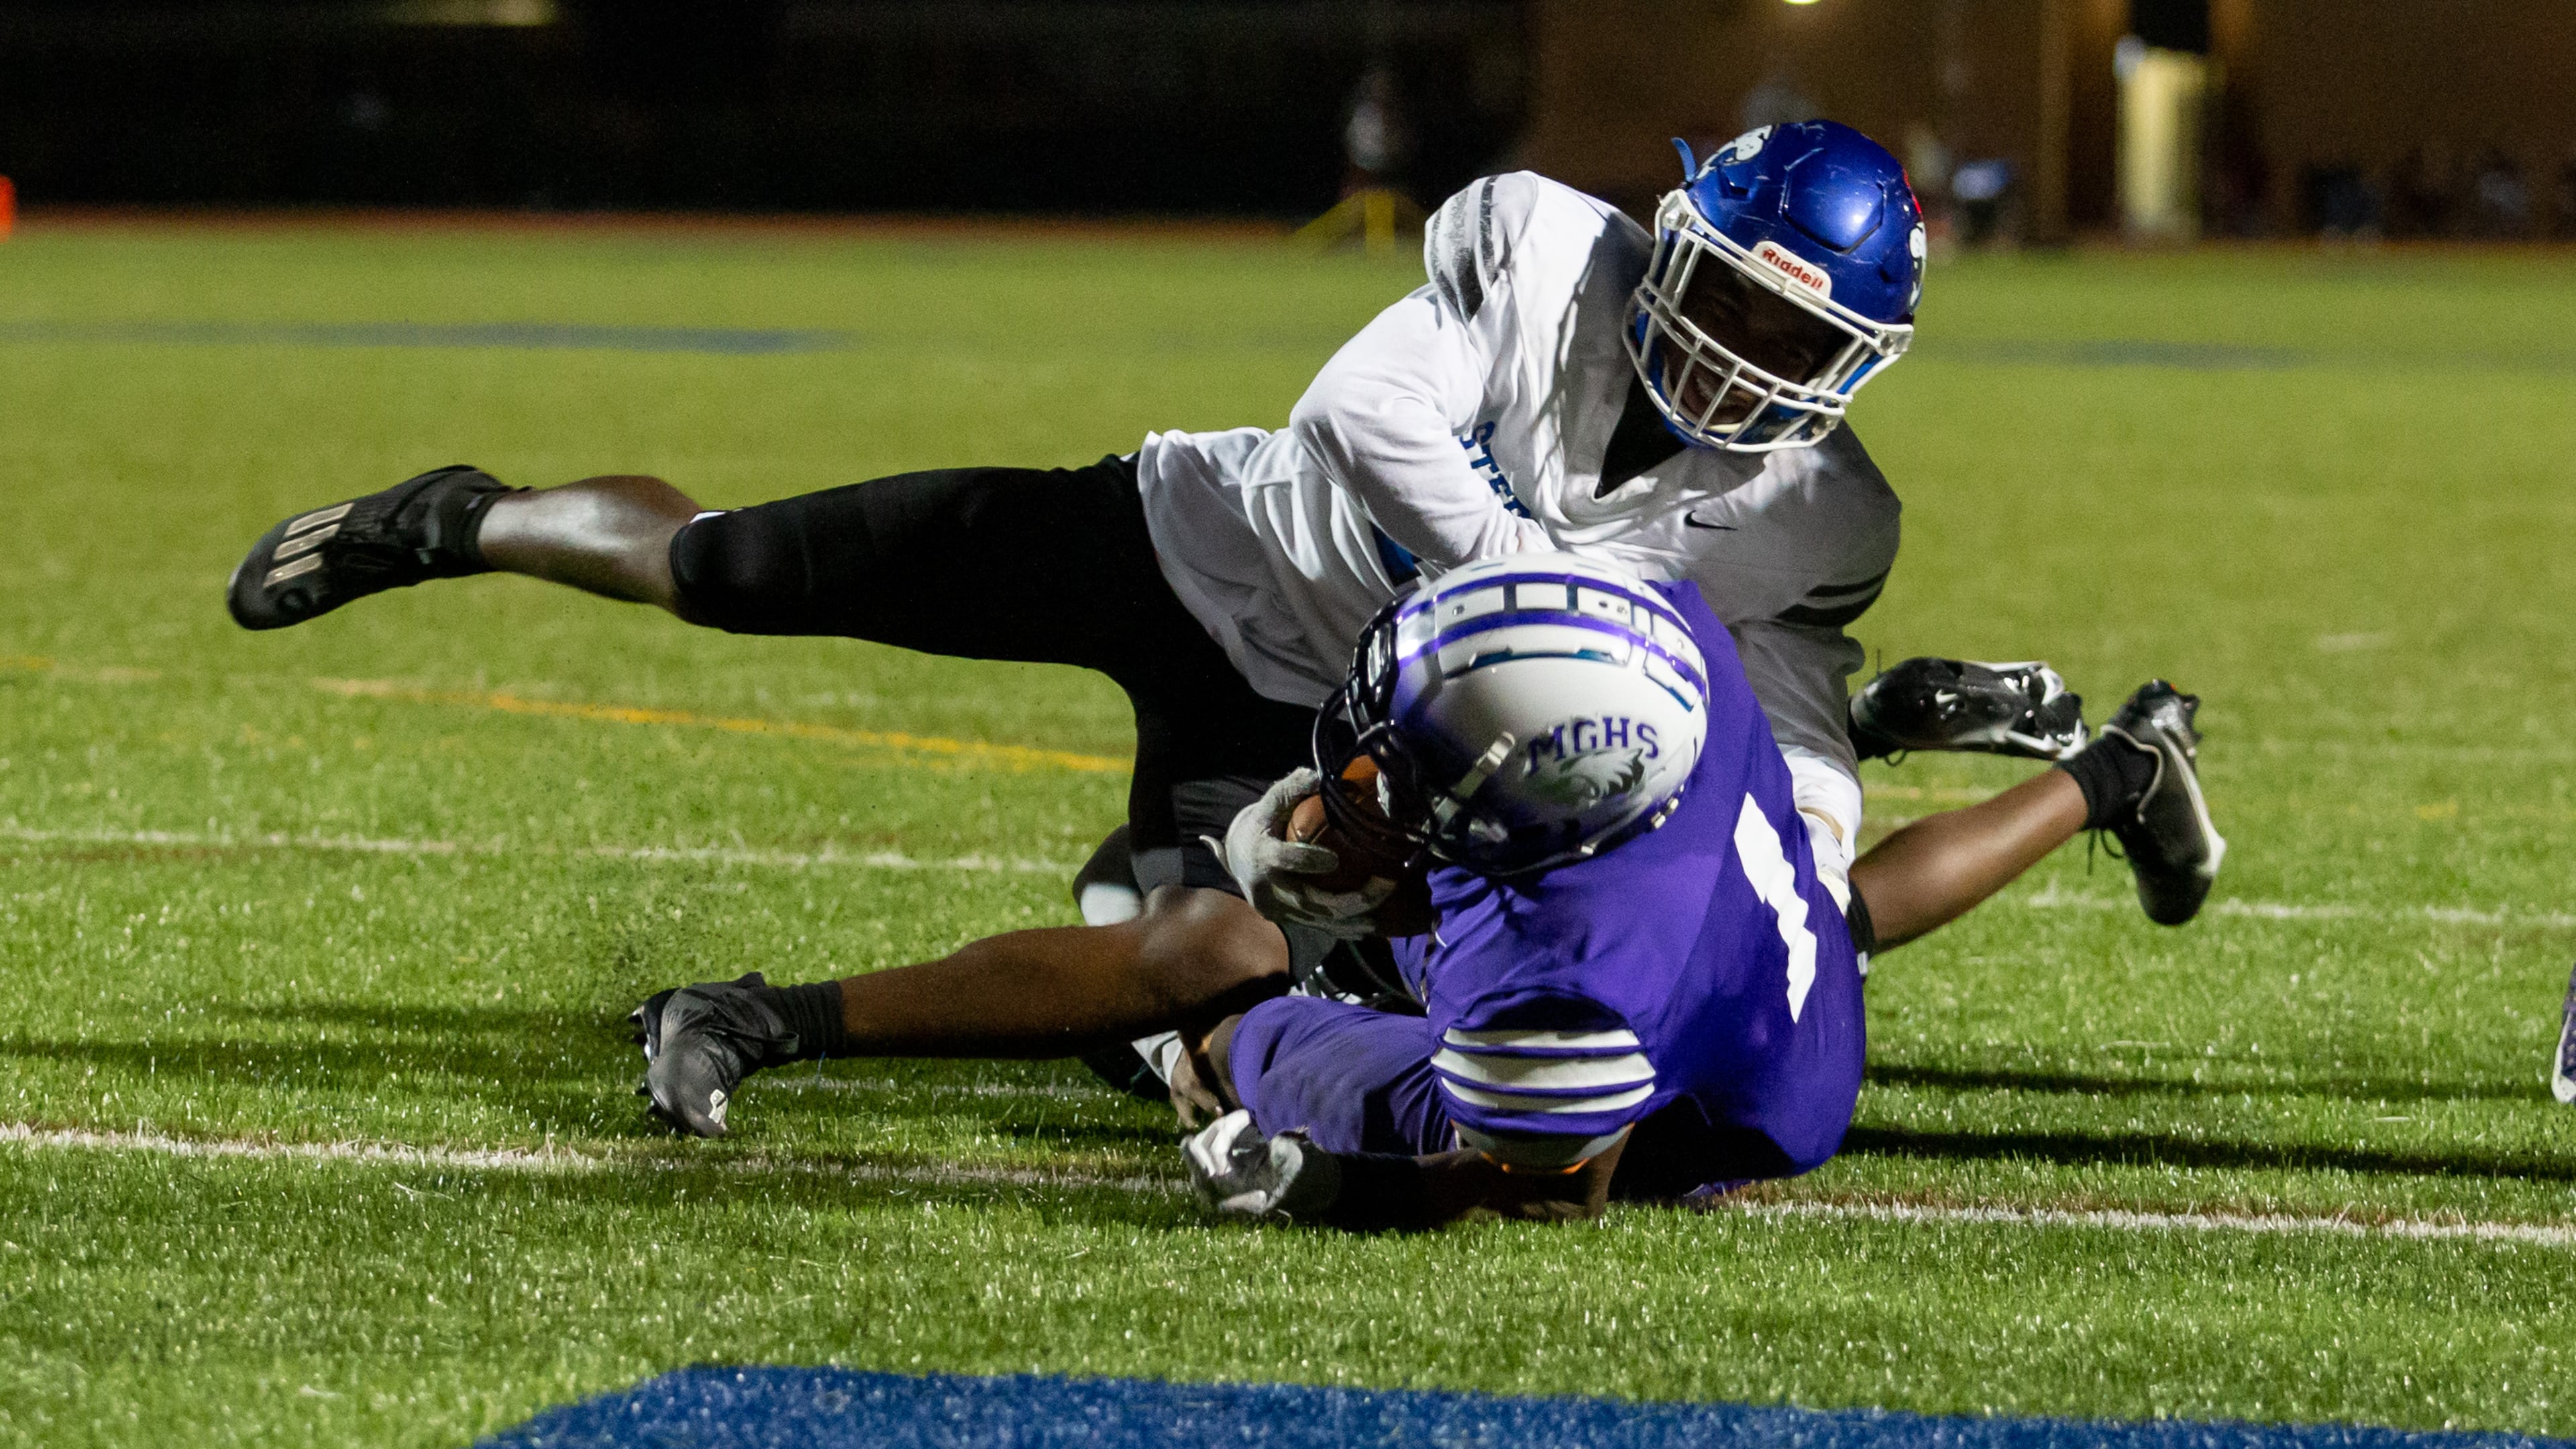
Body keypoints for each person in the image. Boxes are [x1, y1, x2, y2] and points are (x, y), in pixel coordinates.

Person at [223, 121, 2222, 1136]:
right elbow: (1361, 416)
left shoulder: (1823, 511)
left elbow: (1773, 723)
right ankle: (463, 519)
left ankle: (942, 981)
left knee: (1180, 970)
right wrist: (1539, 595)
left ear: (1854, 365)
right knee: (734, 571)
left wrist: (1788, 812)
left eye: (1800, 340)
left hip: (1323, 722)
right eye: (1734, 294)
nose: (1740, 352)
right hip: (1183, 535)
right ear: (1674, 227)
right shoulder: (1541, 241)